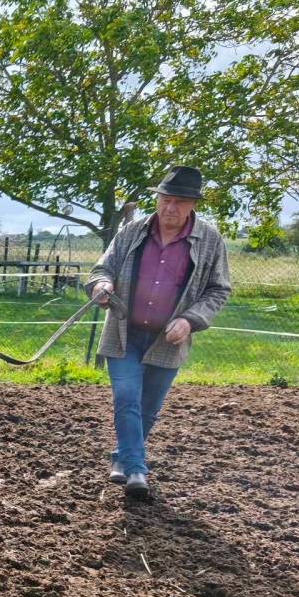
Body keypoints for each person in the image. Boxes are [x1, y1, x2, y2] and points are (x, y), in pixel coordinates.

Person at [85, 166, 231, 499]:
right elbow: (102, 268)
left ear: (193, 204)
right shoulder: (132, 231)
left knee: (147, 408)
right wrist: (101, 284)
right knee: (126, 398)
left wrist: (191, 320)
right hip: (124, 333)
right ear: (158, 198)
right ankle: (137, 470)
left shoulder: (210, 241)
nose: (170, 208)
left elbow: (218, 289)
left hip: (168, 340)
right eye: (166, 199)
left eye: (180, 202)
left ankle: (121, 458)